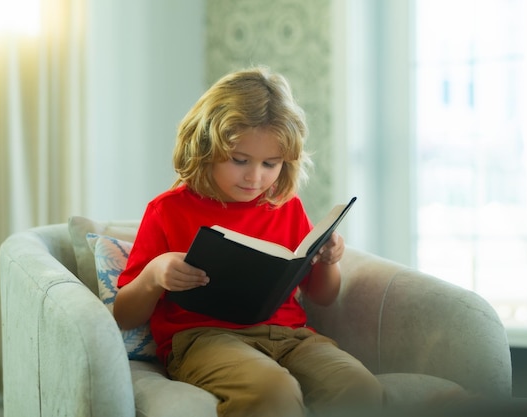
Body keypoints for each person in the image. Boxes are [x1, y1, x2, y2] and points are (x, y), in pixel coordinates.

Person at [113, 66, 383, 417]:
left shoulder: (286, 207)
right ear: (205, 147)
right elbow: (124, 314)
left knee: (360, 389)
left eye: (270, 164)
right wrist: (153, 275)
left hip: (291, 336)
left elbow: (323, 296)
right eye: (240, 161)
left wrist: (329, 260)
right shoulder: (168, 210)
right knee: (273, 391)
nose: (255, 177)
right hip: (204, 340)